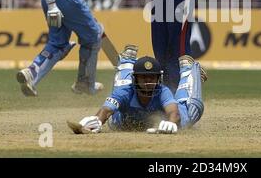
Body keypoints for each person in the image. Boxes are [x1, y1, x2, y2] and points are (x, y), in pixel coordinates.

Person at [68, 49, 206, 134]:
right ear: (135, 78)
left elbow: (174, 113)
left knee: (191, 111)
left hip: (175, 116)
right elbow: (106, 110)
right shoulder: (124, 92)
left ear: (159, 78)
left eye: (152, 77)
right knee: (116, 120)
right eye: (143, 77)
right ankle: (127, 62)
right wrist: (97, 120)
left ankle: (189, 71)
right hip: (125, 122)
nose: (147, 82)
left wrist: (171, 123)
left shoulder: (163, 91)